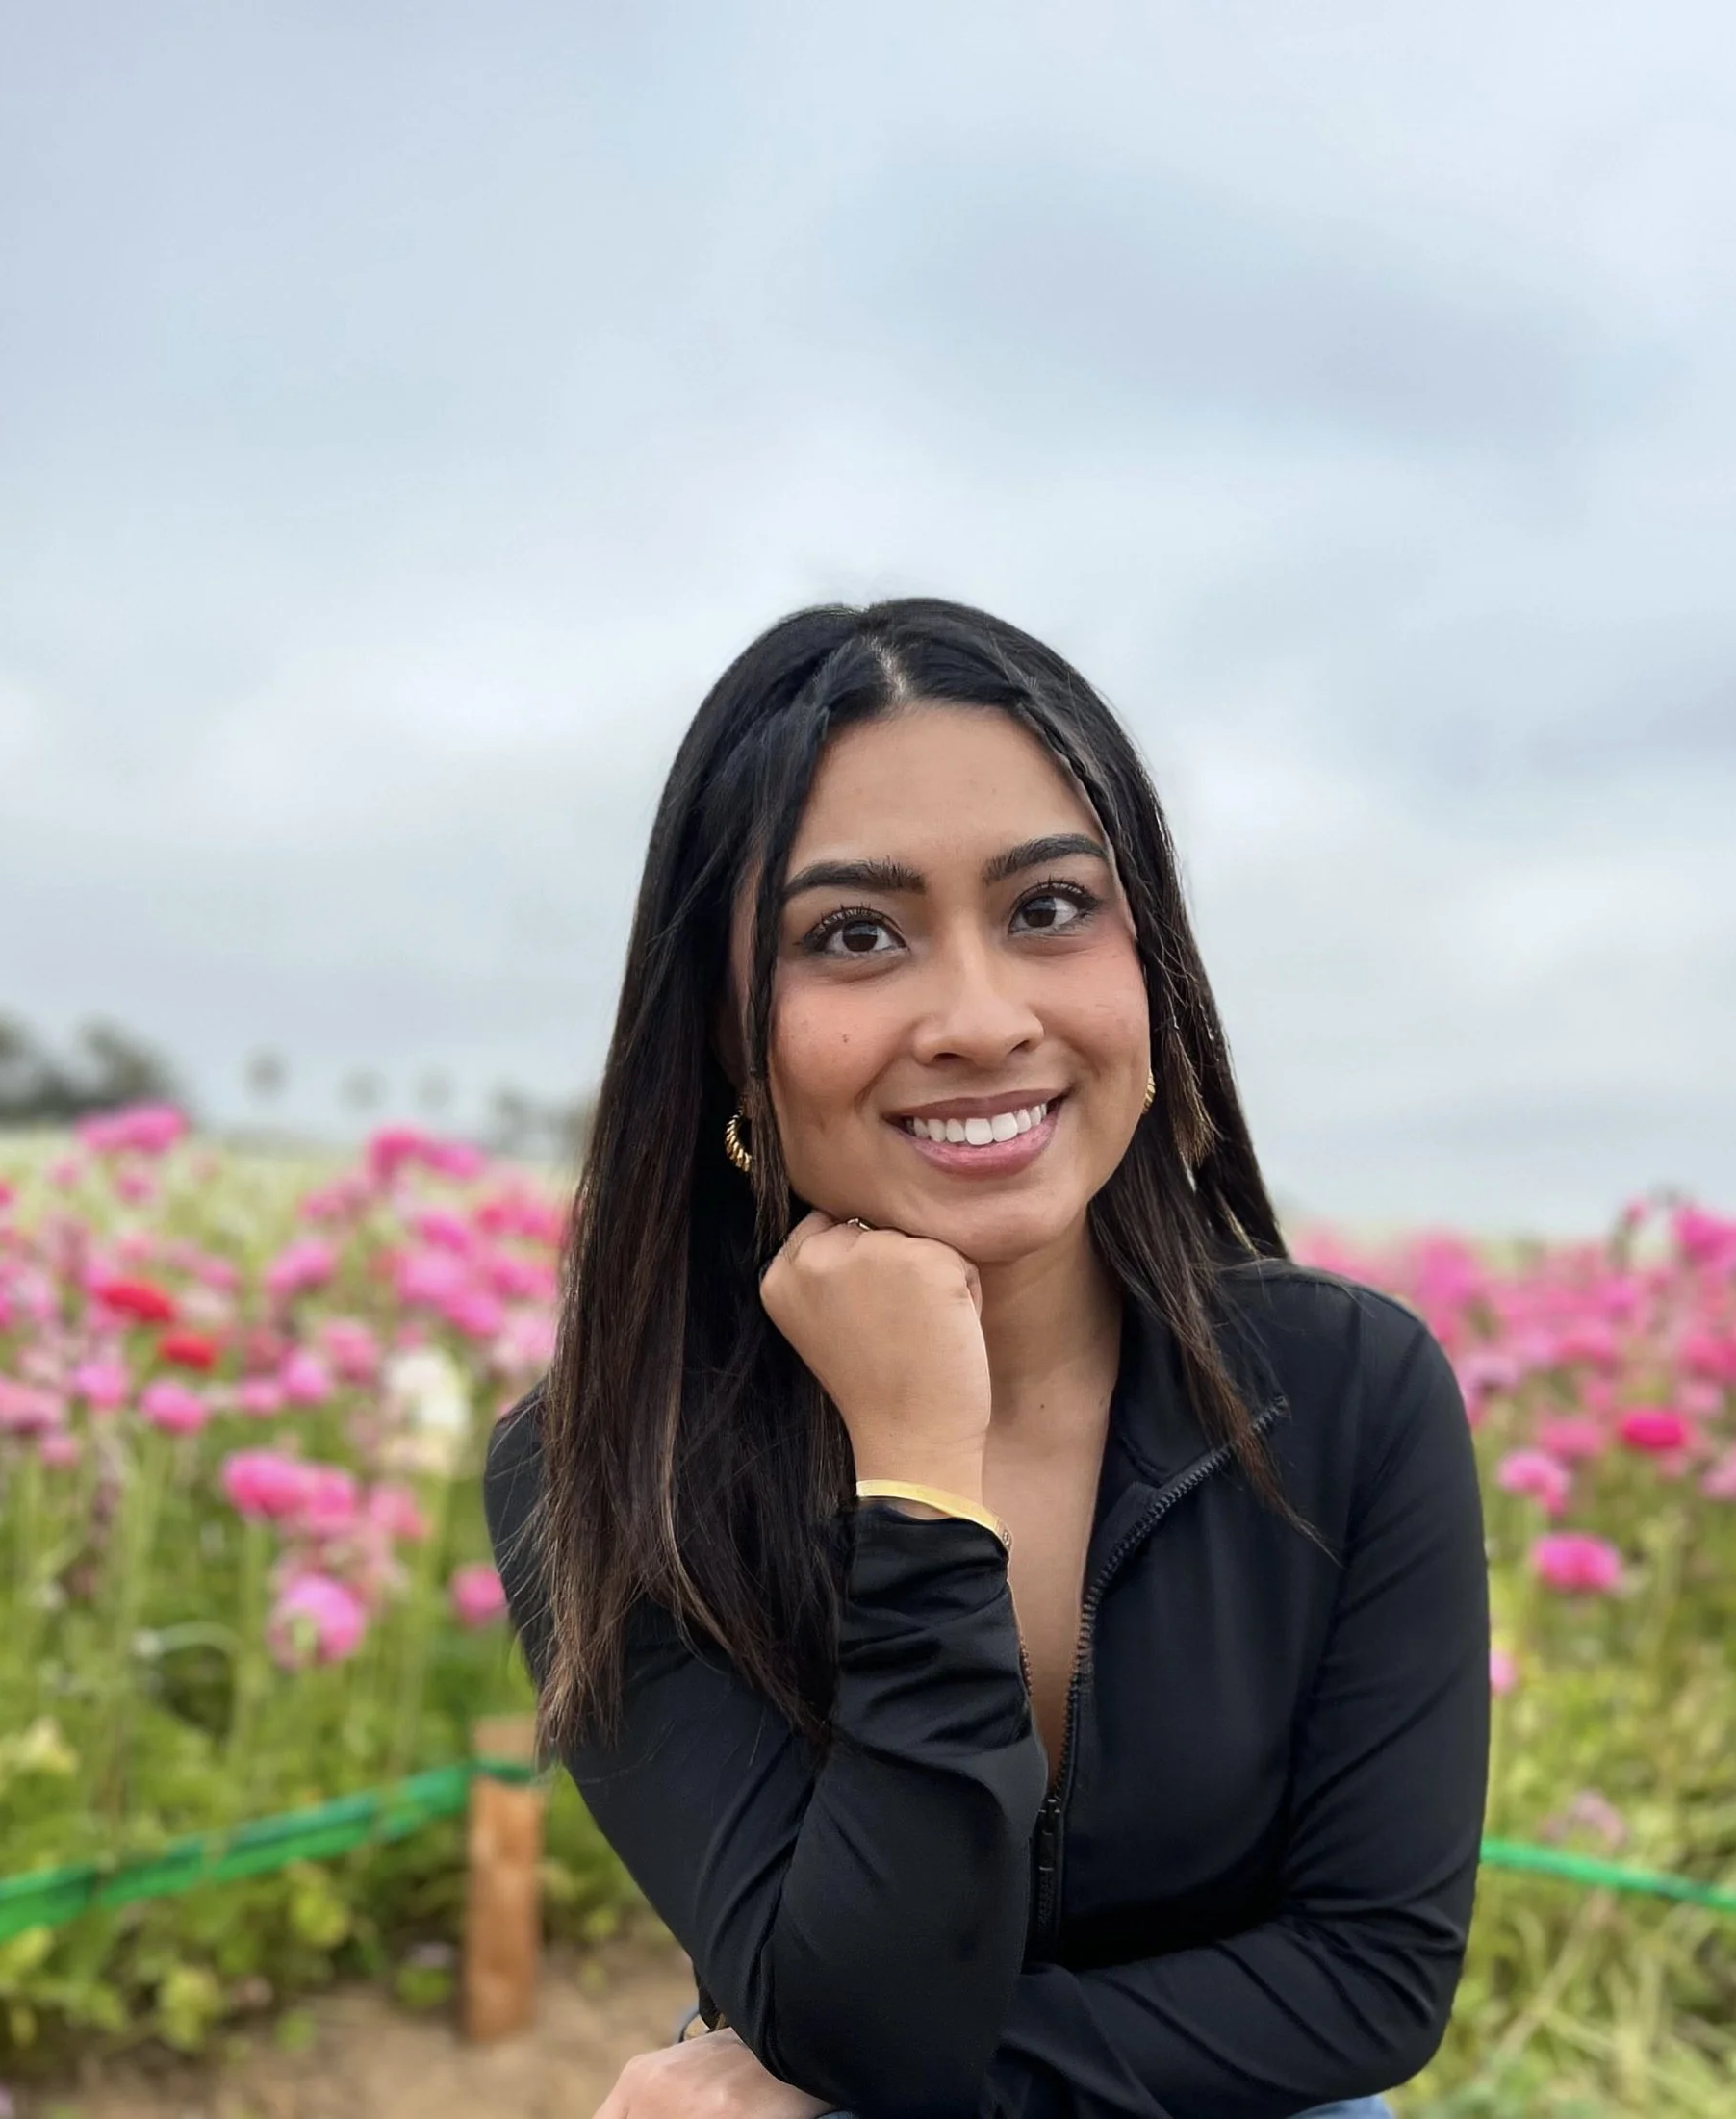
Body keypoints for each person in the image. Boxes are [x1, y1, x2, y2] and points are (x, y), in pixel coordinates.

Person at [480, 598, 1489, 2119]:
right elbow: (860, 2008)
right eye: (855, 935)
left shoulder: (1349, 1390)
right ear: (718, 1033)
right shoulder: (611, 1462)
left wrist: (856, 2089)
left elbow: (1368, 1976)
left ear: (1148, 965)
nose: (977, 1016)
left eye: (1047, 909)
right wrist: (920, 1476)